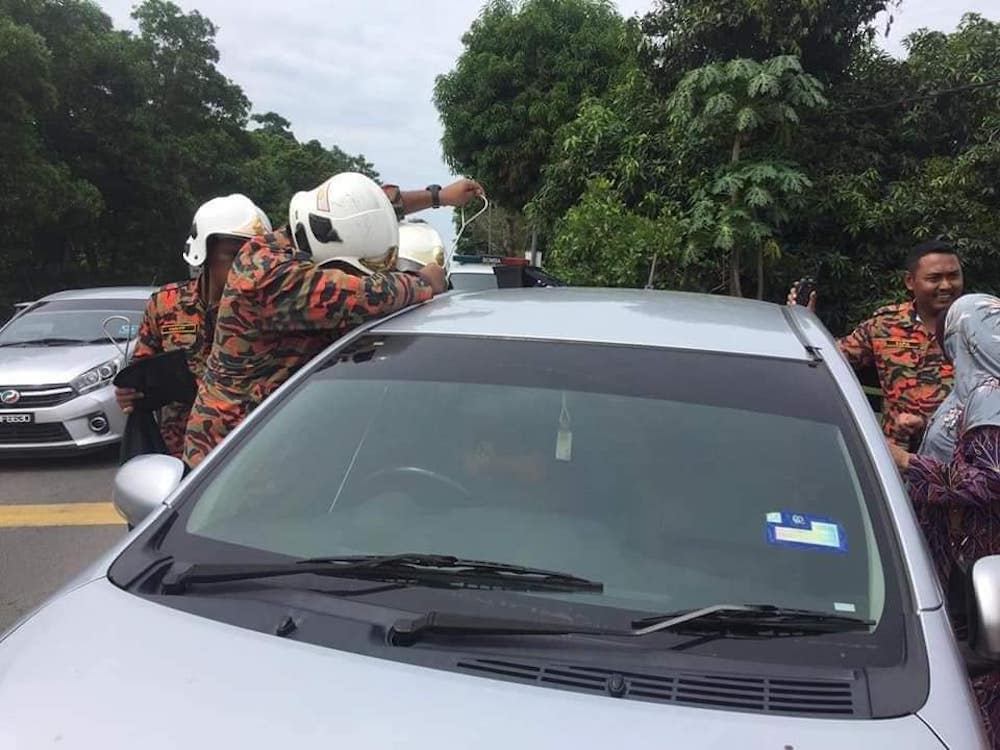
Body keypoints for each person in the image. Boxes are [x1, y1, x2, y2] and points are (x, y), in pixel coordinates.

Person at [182, 174, 483, 468]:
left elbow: (370, 208)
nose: (355, 275)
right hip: (229, 453)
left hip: (287, 440)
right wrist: (422, 281)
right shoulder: (266, 275)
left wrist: (439, 196)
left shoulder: (311, 231)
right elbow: (365, 296)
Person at [887, 293, 1000, 747]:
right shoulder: (975, 388)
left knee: (974, 677)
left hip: (980, 569)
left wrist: (906, 463)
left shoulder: (992, 396)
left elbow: (990, 483)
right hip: (959, 560)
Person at [115, 195, 272, 458]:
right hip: (178, 453)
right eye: (234, 255)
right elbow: (141, 369)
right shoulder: (166, 305)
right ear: (204, 253)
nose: (246, 267)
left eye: (256, 257)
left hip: (249, 450)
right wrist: (130, 394)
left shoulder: (270, 312)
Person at [789, 240, 963, 447]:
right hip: (896, 460)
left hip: (964, 458)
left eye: (953, 276)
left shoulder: (982, 327)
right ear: (910, 281)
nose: (946, 285)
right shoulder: (885, 325)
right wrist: (806, 323)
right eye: (934, 278)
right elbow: (830, 358)